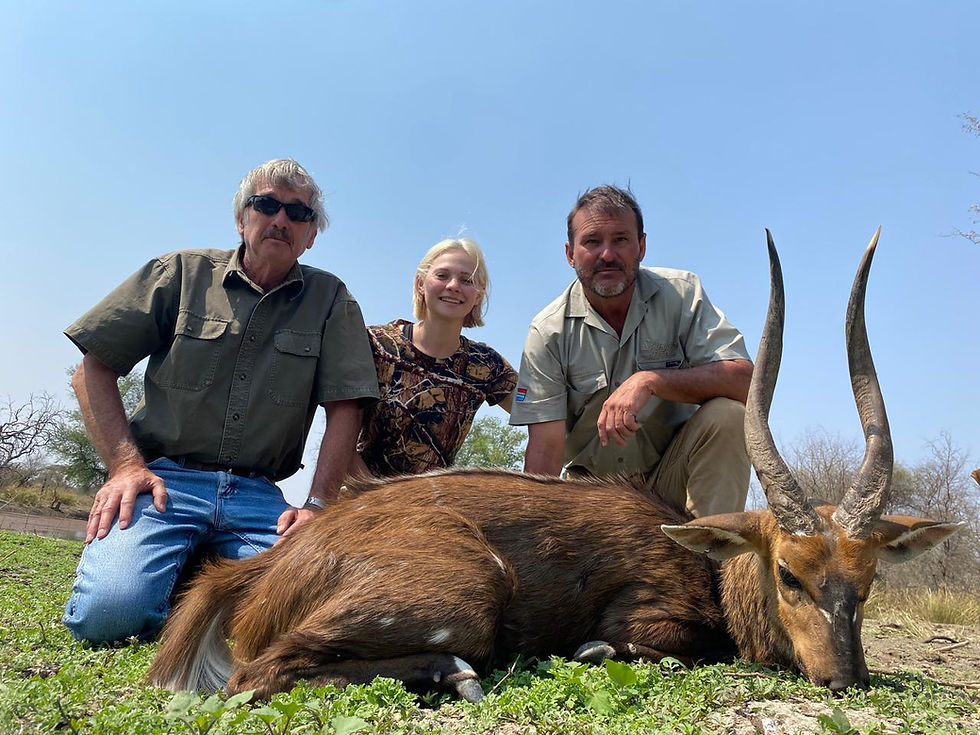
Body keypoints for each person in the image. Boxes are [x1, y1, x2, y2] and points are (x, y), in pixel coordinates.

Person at [62, 159, 379, 643]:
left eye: (298, 213)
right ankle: (179, 573)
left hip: (257, 496)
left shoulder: (331, 299)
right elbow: (91, 370)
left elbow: (346, 408)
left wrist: (317, 505)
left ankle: (194, 574)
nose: (281, 219)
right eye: (266, 205)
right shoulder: (180, 273)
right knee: (108, 618)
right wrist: (124, 467)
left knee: (311, 610)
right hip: (165, 483)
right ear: (241, 219)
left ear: (311, 235)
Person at [509, 185, 753, 517]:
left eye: (621, 239)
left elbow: (744, 382)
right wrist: (530, 528)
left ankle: (709, 546)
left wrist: (650, 381)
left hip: (672, 481)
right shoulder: (547, 330)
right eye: (592, 241)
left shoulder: (682, 294)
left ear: (642, 246)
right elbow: (546, 450)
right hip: (593, 496)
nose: (607, 255)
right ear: (570, 254)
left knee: (729, 415)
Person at [351, 238, 517, 478]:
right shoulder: (375, 345)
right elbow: (340, 437)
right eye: (442, 275)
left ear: (479, 295)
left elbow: (536, 409)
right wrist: (379, 494)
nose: (453, 286)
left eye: (466, 280)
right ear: (420, 284)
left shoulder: (486, 365)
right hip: (359, 491)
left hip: (432, 499)